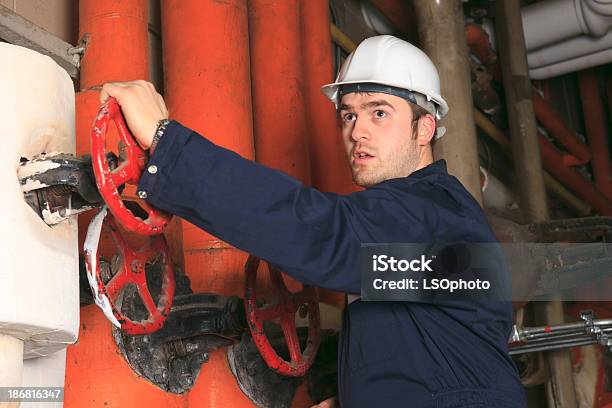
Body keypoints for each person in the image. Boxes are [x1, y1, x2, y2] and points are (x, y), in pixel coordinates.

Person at [100, 35, 527, 407]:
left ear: (425, 128)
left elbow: (320, 234)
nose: (357, 131)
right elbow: (434, 350)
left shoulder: (432, 211)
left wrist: (165, 142)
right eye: (349, 115)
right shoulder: (416, 219)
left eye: (379, 112)